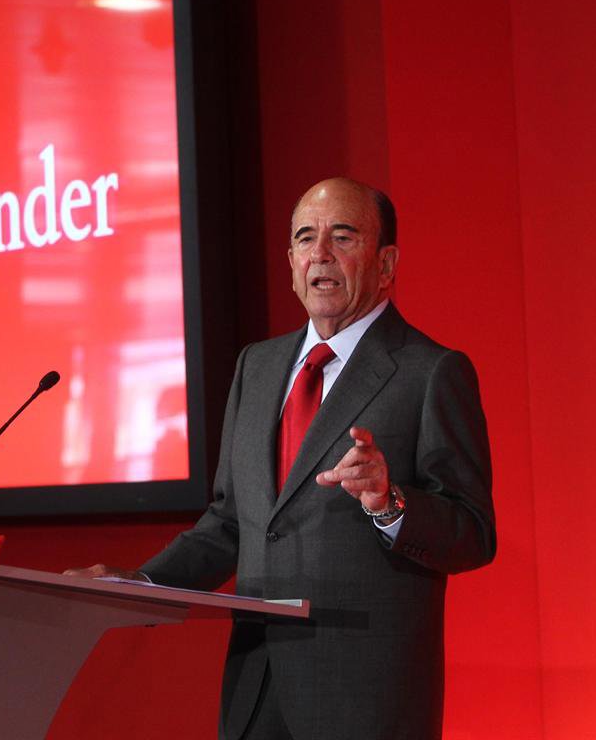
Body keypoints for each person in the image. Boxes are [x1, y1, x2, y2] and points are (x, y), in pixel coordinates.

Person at [66, 178, 496, 740]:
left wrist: (389, 503)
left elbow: (473, 533)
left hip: (364, 701)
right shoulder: (257, 366)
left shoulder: (430, 371)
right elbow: (230, 523)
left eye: (343, 236)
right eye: (305, 238)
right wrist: (143, 582)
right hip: (256, 688)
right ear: (291, 262)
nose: (321, 253)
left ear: (386, 263)